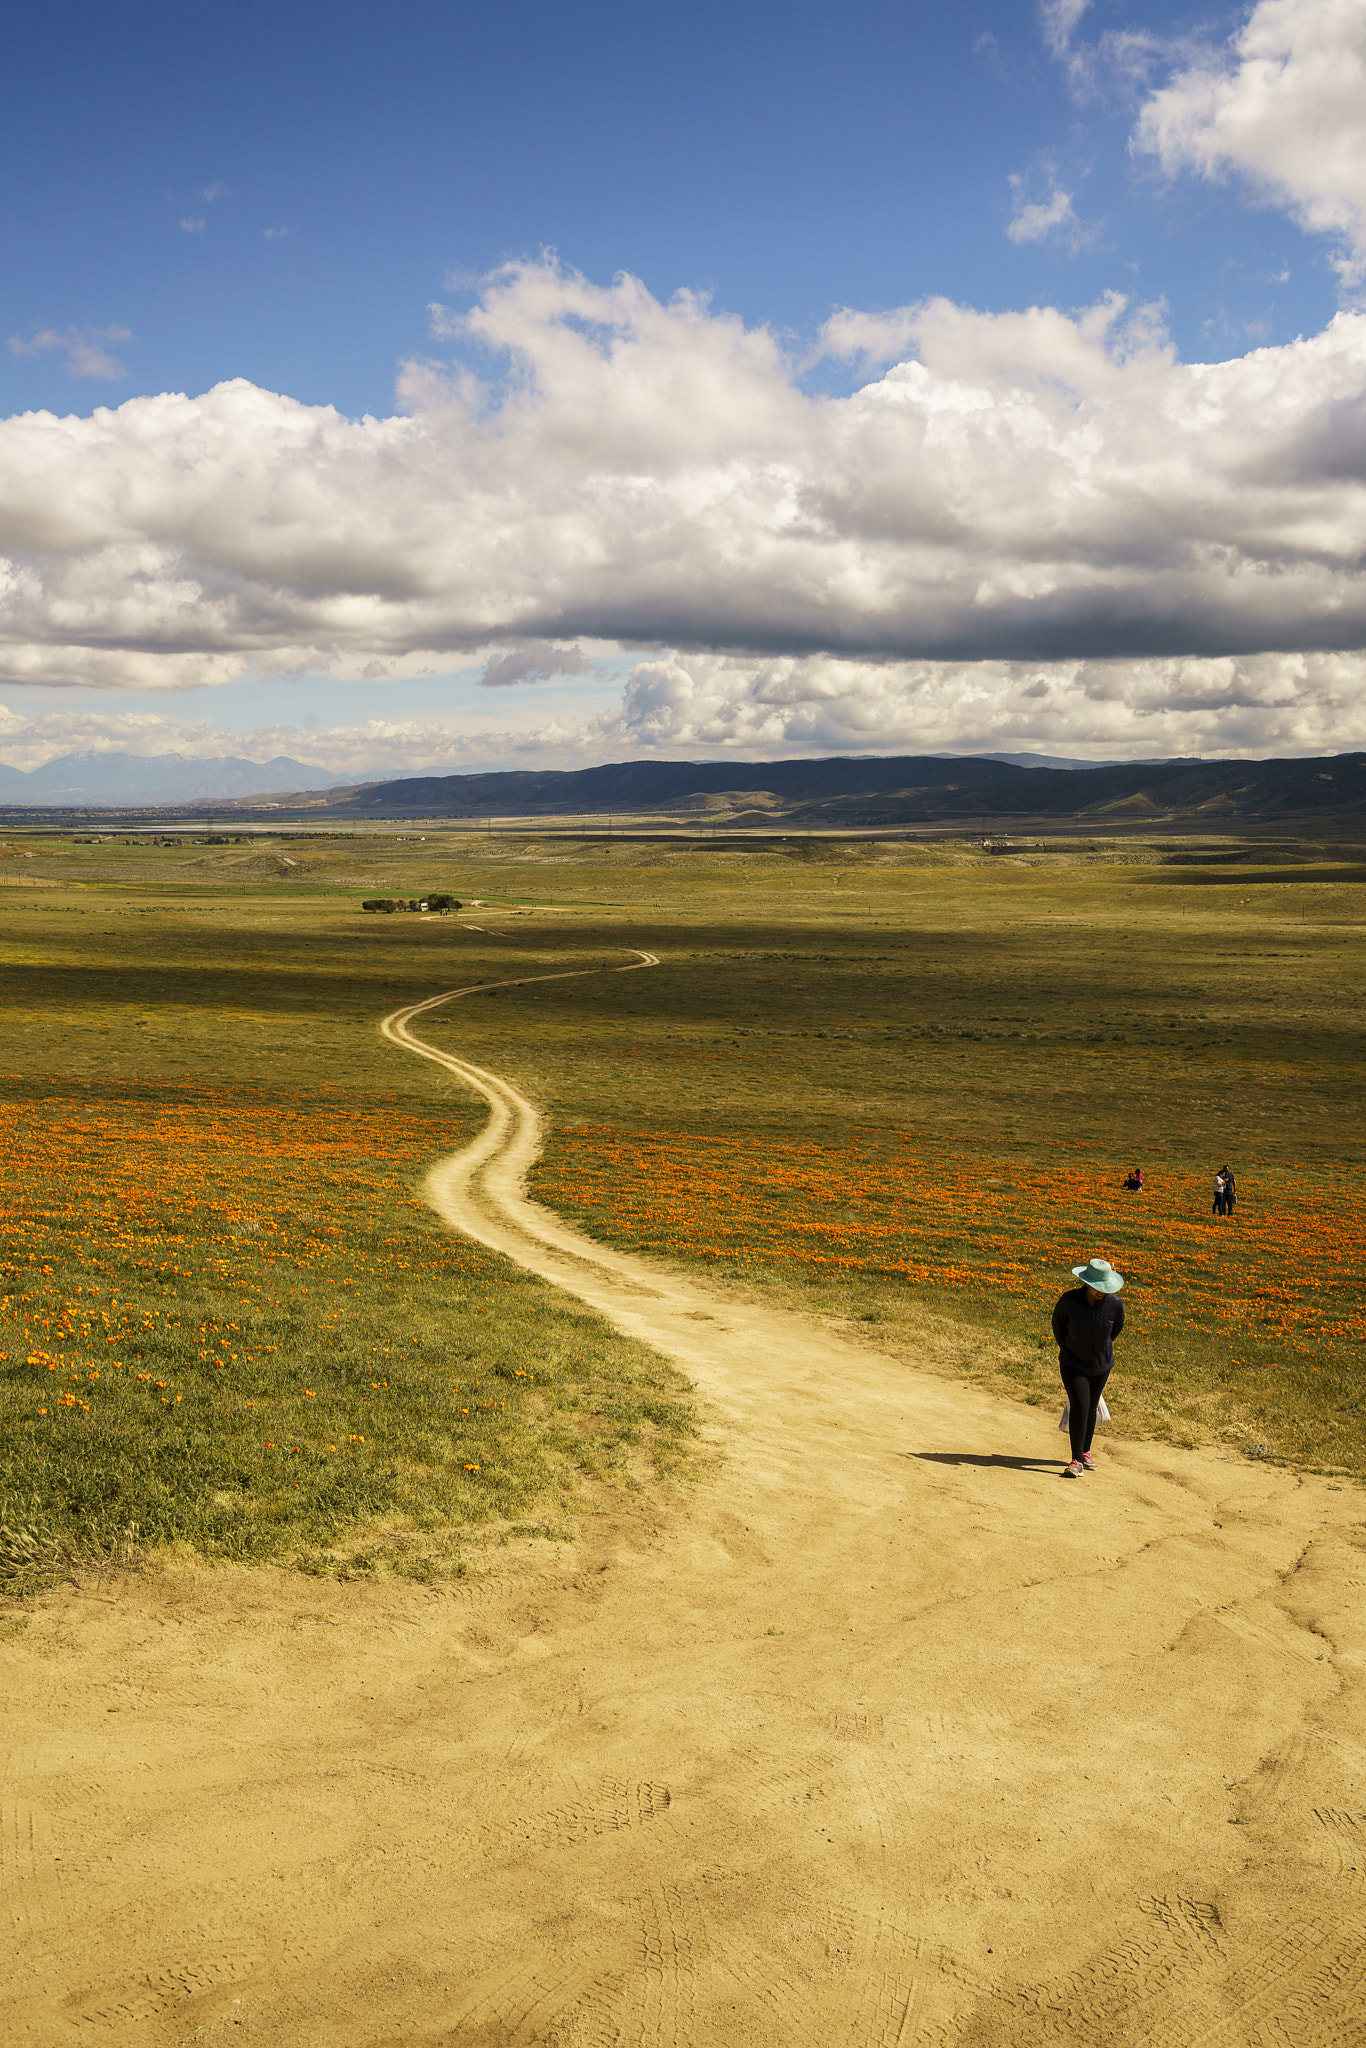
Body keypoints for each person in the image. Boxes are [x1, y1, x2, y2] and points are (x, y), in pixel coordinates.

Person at [1052, 1257, 1125, 1477]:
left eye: (1104, 1287)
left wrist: (1101, 1351)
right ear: (1086, 1283)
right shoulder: (1069, 1301)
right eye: (1096, 1287)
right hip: (1073, 1363)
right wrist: (1068, 1347)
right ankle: (1075, 1459)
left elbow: (1115, 1330)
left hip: (1101, 1365)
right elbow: (1058, 1325)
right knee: (1081, 1406)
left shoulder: (1115, 1305)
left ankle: (1085, 1451)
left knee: (1092, 1407)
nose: (1100, 1291)